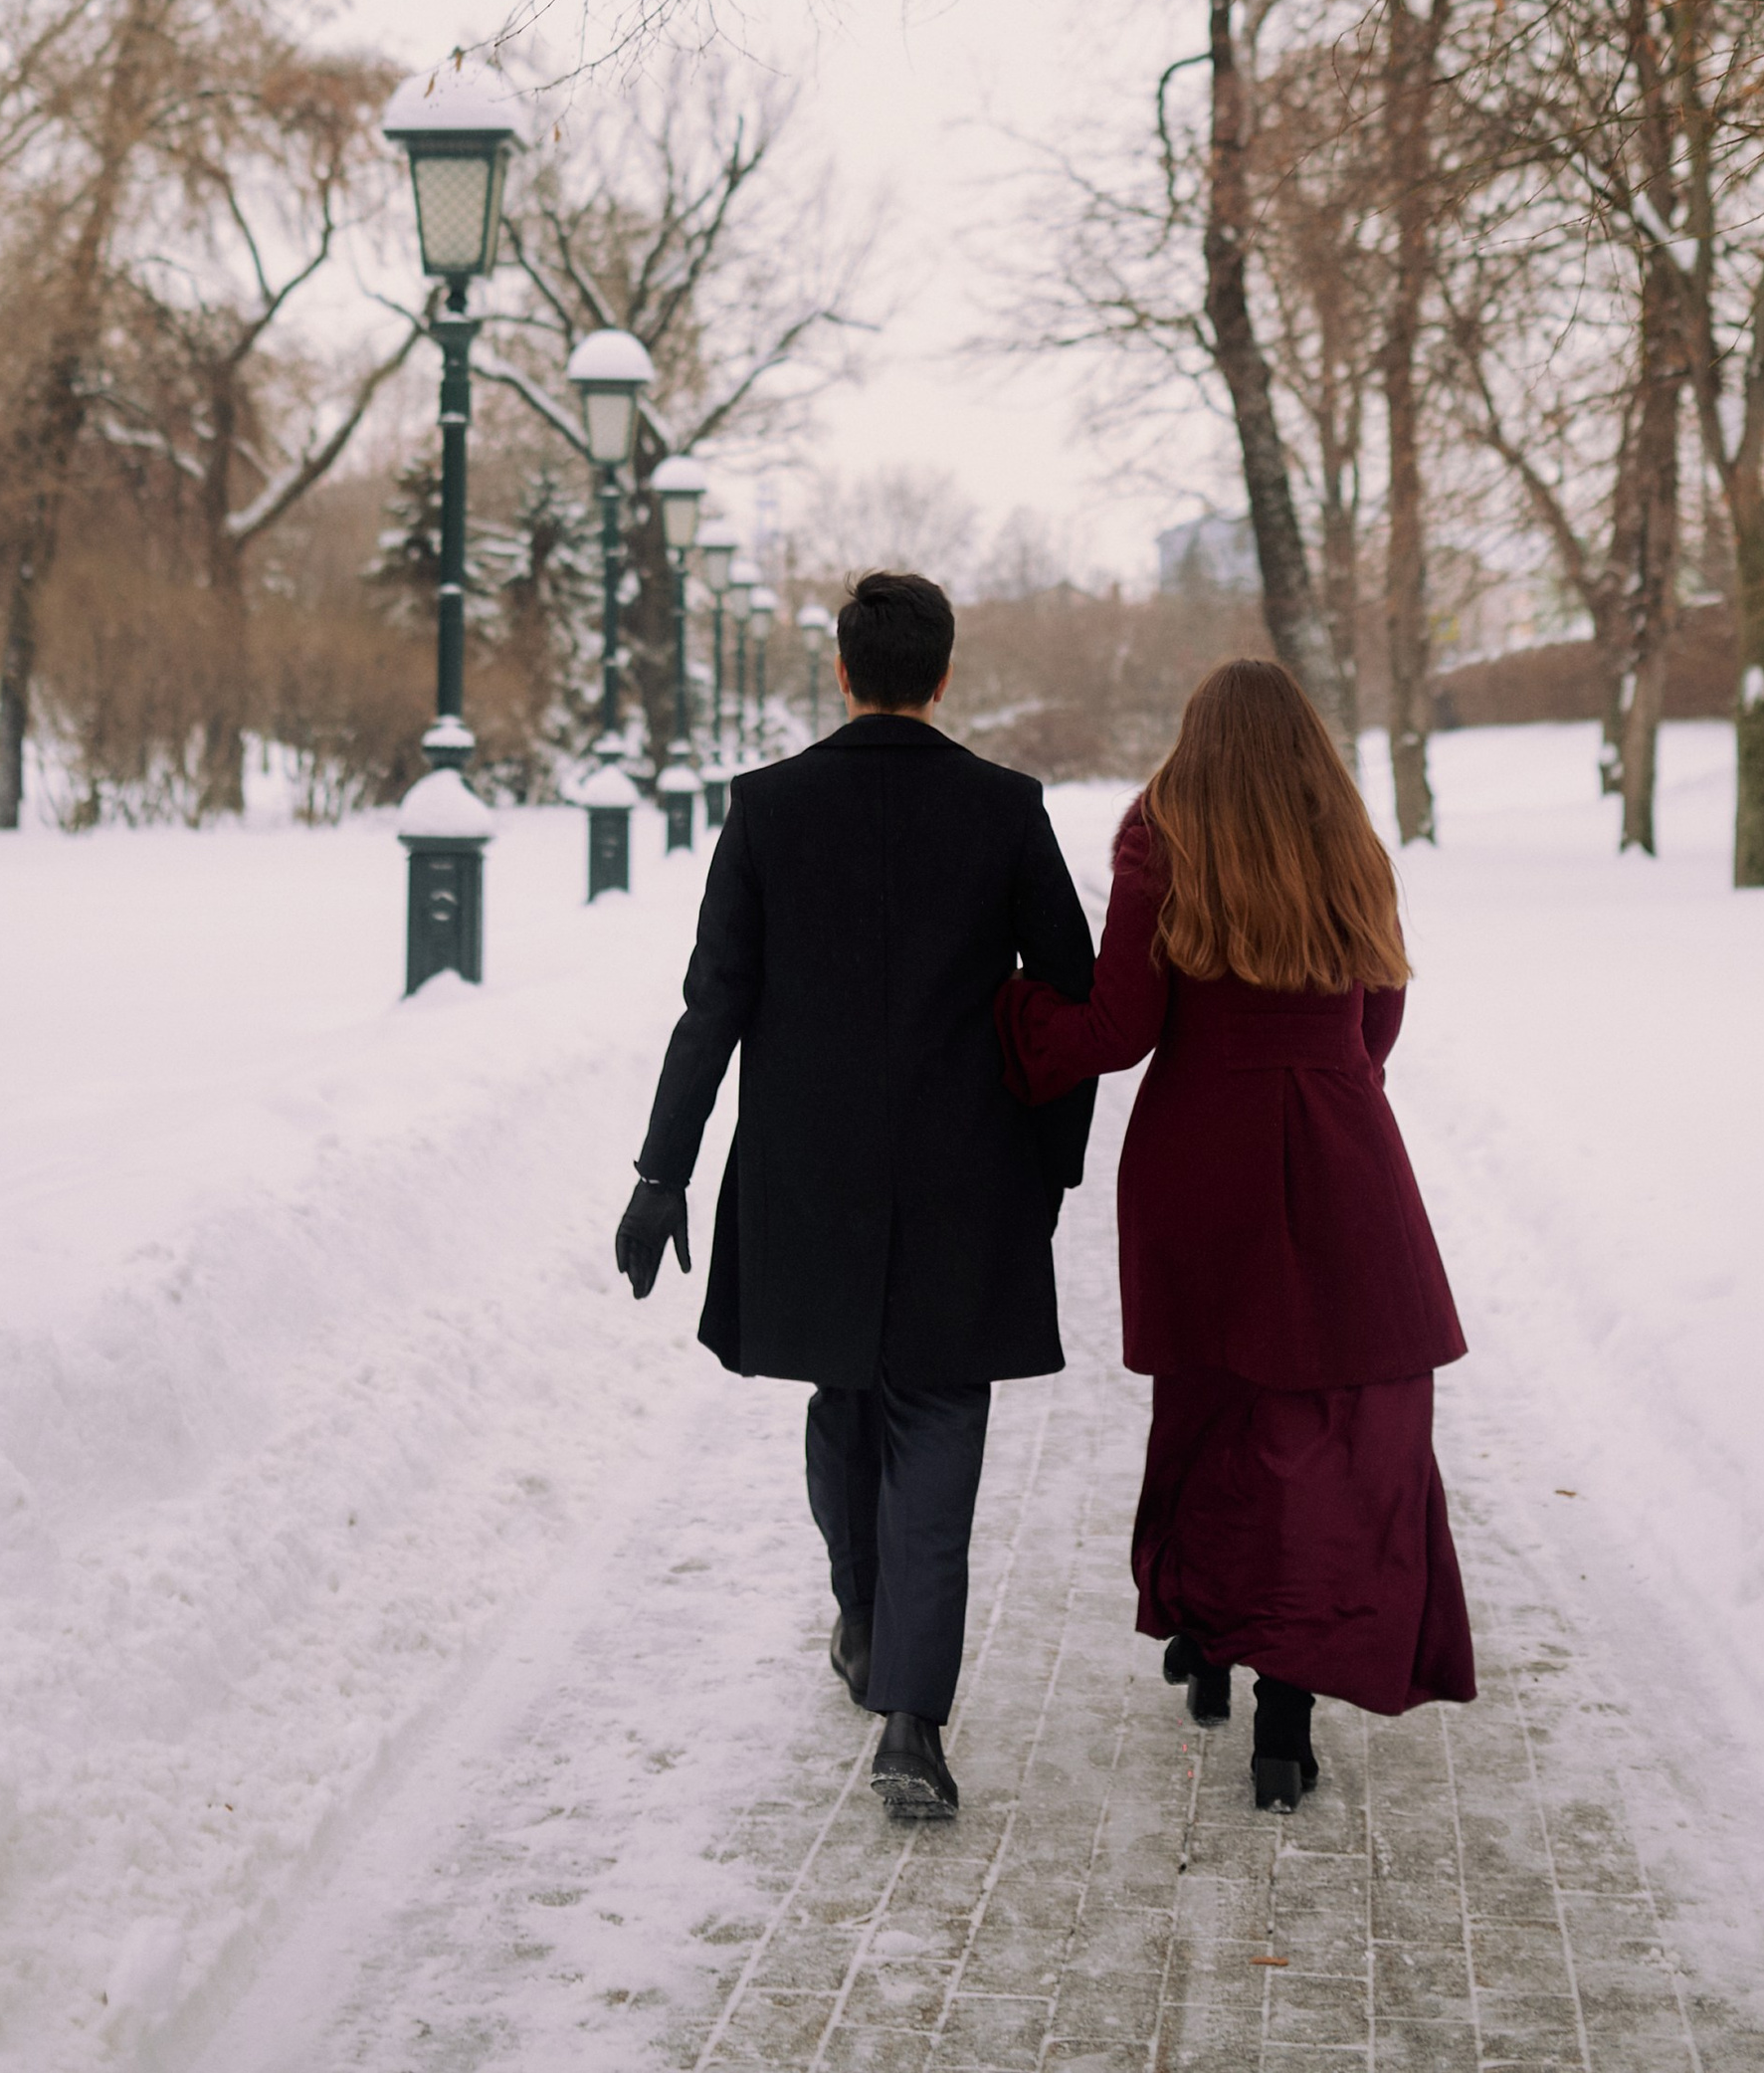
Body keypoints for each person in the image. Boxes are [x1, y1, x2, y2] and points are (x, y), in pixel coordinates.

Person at [615, 567, 1096, 1825]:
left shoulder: (768, 806)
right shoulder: (1005, 808)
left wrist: (662, 1171)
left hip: (807, 1172)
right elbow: (1072, 1000)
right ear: (943, 674)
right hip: (965, 1175)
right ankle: (911, 1720)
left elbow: (715, 999)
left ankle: (865, 1614)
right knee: (937, 1420)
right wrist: (1050, 1163)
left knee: (844, 1393)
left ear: (843, 670)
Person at [996, 654, 1473, 1810]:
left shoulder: (1162, 833)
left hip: (1198, 1151)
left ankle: (1206, 1636)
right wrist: (1329, 1091)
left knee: (1209, 1404)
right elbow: (1379, 1016)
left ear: (1194, 735)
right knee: (1316, 1427)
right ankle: (1282, 1717)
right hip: (1338, 1148)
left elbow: (1120, 1026)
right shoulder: (1348, 840)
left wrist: (1012, 1012)